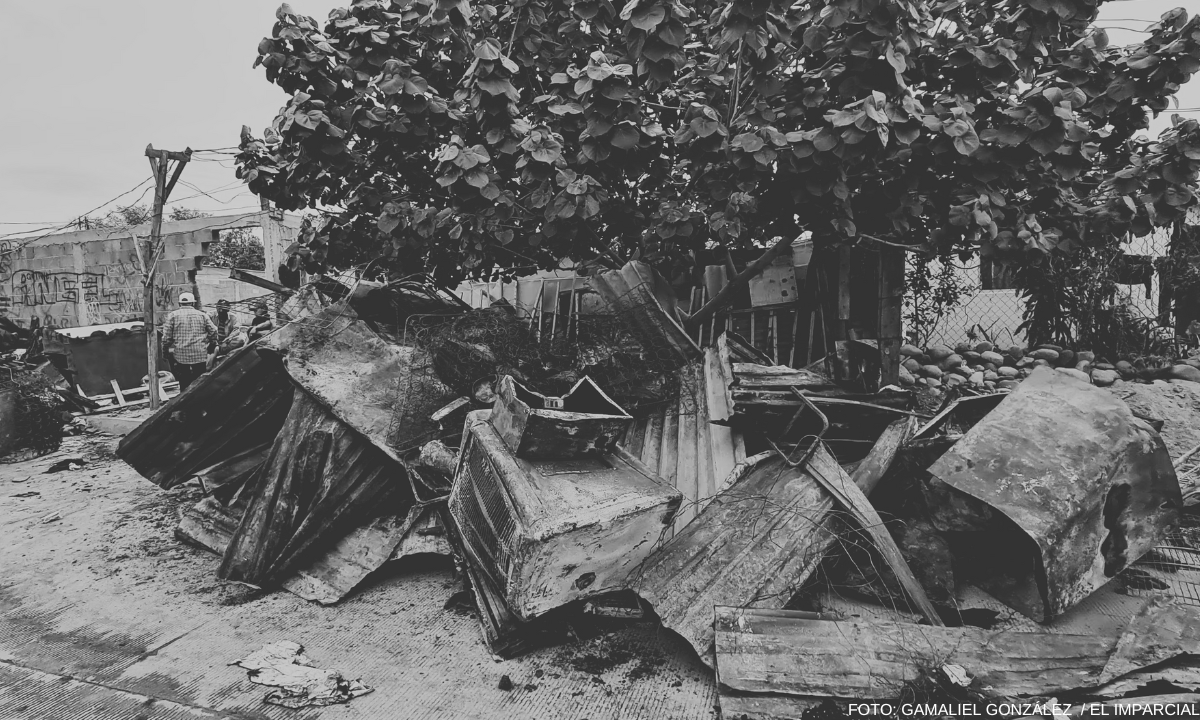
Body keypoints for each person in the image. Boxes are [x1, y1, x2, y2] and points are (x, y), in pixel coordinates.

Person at [161, 291, 218, 391]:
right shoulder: (202, 315)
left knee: (184, 381)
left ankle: (185, 400)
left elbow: (166, 338)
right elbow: (213, 331)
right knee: (200, 380)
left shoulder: (173, 316)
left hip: (181, 355)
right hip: (200, 353)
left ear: (179, 304)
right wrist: (211, 343)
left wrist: (165, 352)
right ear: (193, 303)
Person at [207, 299, 245, 368]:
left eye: (223, 309)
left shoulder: (233, 317)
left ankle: (219, 349)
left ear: (228, 309)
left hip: (226, 342)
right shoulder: (210, 315)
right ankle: (217, 350)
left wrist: (227, 340)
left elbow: (236, 330)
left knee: (241, 340)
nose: (221, 311)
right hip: (213, 341)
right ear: (216, 308)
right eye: (219, 309)